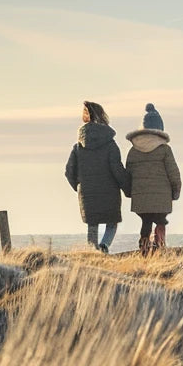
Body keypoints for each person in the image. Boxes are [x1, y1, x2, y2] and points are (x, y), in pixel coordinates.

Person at [64, 100, 130, 253]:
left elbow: (69, 171)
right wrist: (128, 188)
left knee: (92, 225)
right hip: (109, 192)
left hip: (87, 192)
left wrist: (79, 187)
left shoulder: (78, 147)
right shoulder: (110, 145)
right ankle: (104, 246)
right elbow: (117, 169)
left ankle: (92, 252)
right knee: (112, 223)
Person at [124, 103, 182, 255]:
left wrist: (130, 192)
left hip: (141, 197)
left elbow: (128, 173)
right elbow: (173, 173)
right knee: (161, 220)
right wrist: (176, 191)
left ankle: (144, 248)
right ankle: (159, 246)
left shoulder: (133, 151)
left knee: (146, 221)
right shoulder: (164, 149)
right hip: (161, 197)